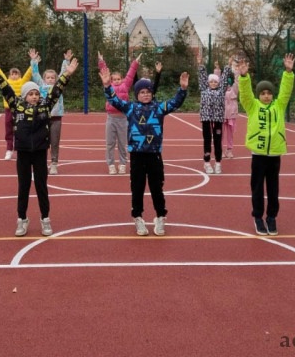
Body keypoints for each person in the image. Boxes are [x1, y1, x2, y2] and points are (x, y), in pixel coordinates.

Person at [0, 54, 78, 237]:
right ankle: (22, 219)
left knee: (42, 186)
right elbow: (5, 89)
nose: (34, 96)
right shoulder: (16, 106)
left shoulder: (45, 106)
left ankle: (45, 219)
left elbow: (57, 90)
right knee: (24, 186)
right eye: (31, 94)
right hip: (24, 153)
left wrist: (67, 74)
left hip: (40, 152)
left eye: (36, 93)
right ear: (24, 95)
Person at [100, 66, 189, 236]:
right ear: (137, 94)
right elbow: (114, 100)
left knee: (157, 187)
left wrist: (182, 89)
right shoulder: (131, 108)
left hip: (154, 154)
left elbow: (175, 102)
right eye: (142, 92)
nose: (146, 94)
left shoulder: (159, 108)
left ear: (152, 93)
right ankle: (138, 217)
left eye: (148, 91)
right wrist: (107, 86)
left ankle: (160, 216)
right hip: (137, 155)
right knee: (137, 187)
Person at [237, 54, 295, 236]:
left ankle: (271, 217)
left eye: (269, 92)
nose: (266, 96)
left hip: (275, 154)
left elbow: (286, 91)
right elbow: (245, 94)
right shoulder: (252, 106)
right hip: (258, 155)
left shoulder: (279, 105)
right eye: (263, 93)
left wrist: (288, 72)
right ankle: (258, 217)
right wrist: (244, 77)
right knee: (257, 188)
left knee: (273, 189)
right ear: (258, 94)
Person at [31, 48, 73, 174]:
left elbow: (64, 73)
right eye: (48, 77)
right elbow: (35, 74)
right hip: (43, 117)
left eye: (52, 78)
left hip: (56, 118)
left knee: (54, 141)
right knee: (42, 142)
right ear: (44, 79)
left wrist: (66, 61)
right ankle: (41, 162)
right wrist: (33, 60)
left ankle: (54, 163)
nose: (50, 79)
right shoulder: (40, 85)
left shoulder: (58, 86)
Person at [98, 51, 140, 174]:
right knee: (110, 143)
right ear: (111, 80)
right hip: (111, 118)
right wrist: (101, 61)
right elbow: (104, 72)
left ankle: (122, 163)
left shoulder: (125, 86)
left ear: (122, 79)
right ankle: (111, 164)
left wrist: (135, 63)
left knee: (122, 143)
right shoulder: (108, 86)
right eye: (114, 79)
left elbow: (131, 74)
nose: (116, 81)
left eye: (118, 79)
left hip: (123, 119)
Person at [197, 55, 232, 174]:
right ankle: (206, 163)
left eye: (215, 81)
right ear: (208, 83)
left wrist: (228, 65)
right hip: (206, 118)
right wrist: (201, 64)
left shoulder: (221, 90)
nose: (213, 83)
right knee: (207, 140)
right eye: (211, 81)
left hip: (217, 119)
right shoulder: (203, 89)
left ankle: (218, 163)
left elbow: (225, 77)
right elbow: (201, 77)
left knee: (217, 141)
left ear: (218, 83)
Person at [0, 56, 33, 160]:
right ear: (9, 75)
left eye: (16, 74)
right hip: (8, 110)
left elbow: (28, 74)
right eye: (12, 74)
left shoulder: (22, 81)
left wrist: (33, 63)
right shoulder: (6, 82)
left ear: (19, 75)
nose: (14, 76)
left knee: (21, 129)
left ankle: (21, 149)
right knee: (8, 130)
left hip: (20, 110)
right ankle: (9, 149)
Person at [223, 63, 238, 159]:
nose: (227, 85)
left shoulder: (234, 90)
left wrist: (236, 71)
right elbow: (218, 79)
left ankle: (229, 150)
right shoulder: (220, 91)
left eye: (229, 83)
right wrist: (217, 70)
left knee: (230, 134)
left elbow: (238, 81)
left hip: (232, 115)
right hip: (221, 115)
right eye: (226, 84)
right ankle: (220, 150)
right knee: (219, 134)